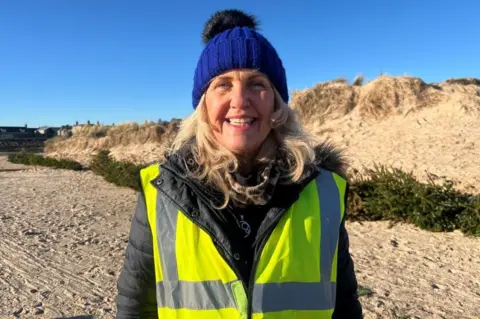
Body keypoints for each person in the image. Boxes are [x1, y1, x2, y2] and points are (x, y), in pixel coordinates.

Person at [116, 8, 363, 319]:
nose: (240, 100)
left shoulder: (323, 190)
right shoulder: (162, 191)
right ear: (203, 105)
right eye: (223, 84)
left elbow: (345, 305)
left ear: (276, 102)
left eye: (257, 83)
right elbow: (136, 307)